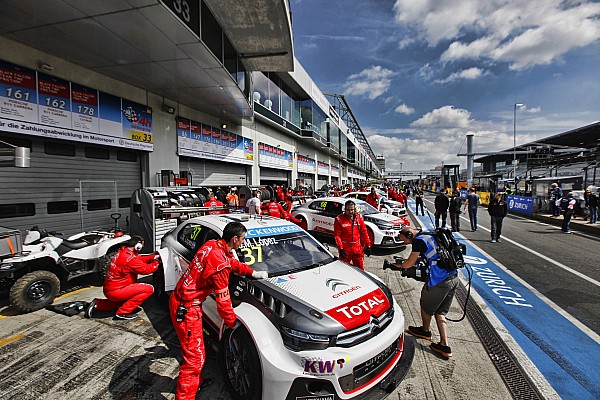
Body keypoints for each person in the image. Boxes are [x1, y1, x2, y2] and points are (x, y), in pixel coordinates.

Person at [169, 222, 268, 400]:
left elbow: (232, 263)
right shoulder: (220, 266)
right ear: (234, 239)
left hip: (180, 299)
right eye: (243, 239)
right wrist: (232, 323)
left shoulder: (212, 245)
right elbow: (223, 303)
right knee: (195, 359)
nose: (243, 243)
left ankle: (194, 385)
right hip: (187, 309)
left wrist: (252, 273)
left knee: (192, 352)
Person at [384, 227, 458, 359]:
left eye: (406, 241)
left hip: (439, 281)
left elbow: (408, 264)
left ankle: (425, 331)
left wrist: (397, 265)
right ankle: (444, 345)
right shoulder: (429, 233)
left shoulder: (419, 241)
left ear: (408, 234)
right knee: (440, 312)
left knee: (426, 306)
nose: (407, 244)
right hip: (453, 277)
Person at [85, 235, 159, 320]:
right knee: (149, 289)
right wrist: (157, 262)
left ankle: (98, 304)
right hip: (118, 291)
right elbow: (146, 270)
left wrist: (153, 257)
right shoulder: (130, 259)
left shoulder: (122, 252)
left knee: (124, 302)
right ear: (137, 246)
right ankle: (123, 313)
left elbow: (139, 259)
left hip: (110, 289)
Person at [333, 200, 372, 270]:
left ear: (355, 209)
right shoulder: (339, 219)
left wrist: (368, 245)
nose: (350, 212)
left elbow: (364, 232)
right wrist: (340, 248)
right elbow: (337, 235)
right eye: (348, 210)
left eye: (352, 210)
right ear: (344, 210)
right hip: (345, 249)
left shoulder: (359, 218)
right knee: (344, 269)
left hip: (357, 248)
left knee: (360, 270)